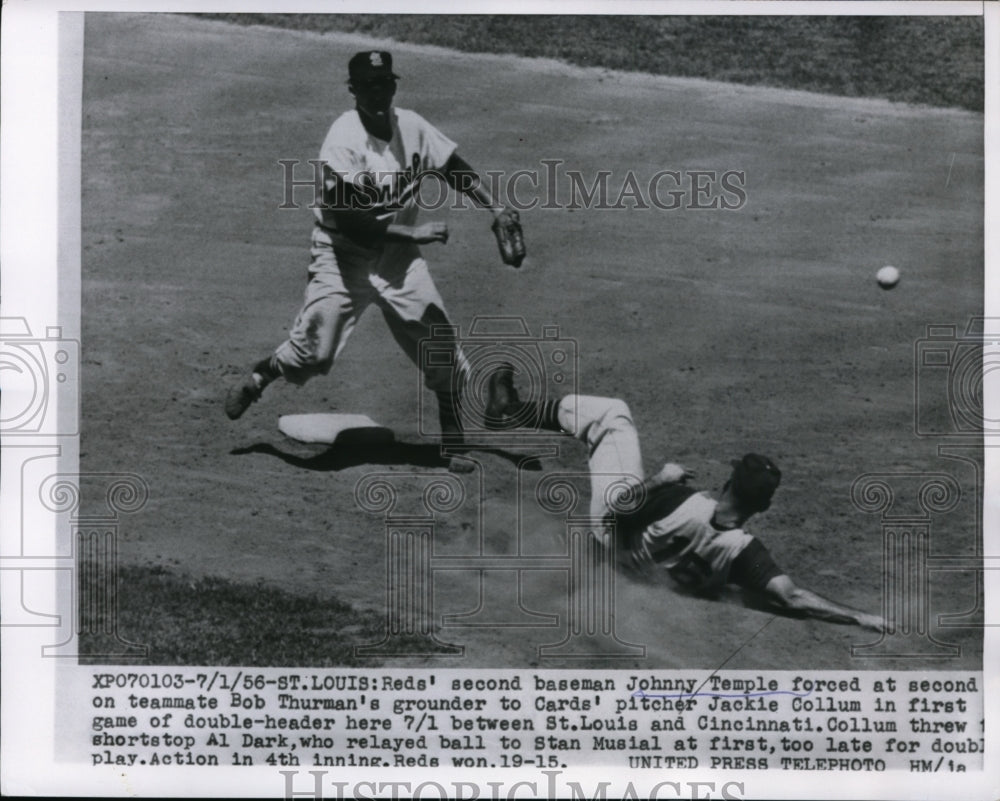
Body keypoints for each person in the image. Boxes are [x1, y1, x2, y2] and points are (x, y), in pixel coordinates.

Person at [225, 51, 519, 472]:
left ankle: (452, 443)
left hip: (398, 261)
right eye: (368, 86)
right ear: (353, 90)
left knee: (440, 343)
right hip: (342, 258)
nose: (378, 93)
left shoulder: (412, 126)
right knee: (314, 356)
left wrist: (497, 208)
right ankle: (261, 375)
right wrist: (414, 233)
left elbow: (452, 166)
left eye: (384, 84)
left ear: (394, 85)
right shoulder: (342, 141)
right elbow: (351, 221)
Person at [484, 364, 885, 631]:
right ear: (762, 507)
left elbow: (618, 508)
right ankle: (562, 560)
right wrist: (860, 616)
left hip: (611, 536)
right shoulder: (744, 552)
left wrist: (661, 478)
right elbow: (792, 597)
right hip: (635, 573)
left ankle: (511, 410)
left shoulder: (684, 501)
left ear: (728, 484)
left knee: (613, 416)